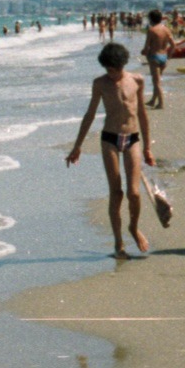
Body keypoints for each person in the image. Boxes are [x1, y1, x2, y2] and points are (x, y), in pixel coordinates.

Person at [66, 42, 156, 258]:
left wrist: (147, 148)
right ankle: (119, 244)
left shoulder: (137, 80)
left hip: (132, 138)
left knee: (134, 193)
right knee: (116, 193)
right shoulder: (100, 84)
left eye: (114, 70)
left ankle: (133, 228)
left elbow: (142, 113)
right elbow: (90, 114)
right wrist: (77, 146)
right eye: (107, 69)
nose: (111, 74)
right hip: (109, 139)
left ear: (122, 64)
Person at [140, 9, 175, 109]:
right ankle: (153, 100)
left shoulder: (151, 30)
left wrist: (143, 52)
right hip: (164, 57)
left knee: (156, 82)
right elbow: (173, 45)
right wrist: (169, 57)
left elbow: (146, 47)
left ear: (151, 19)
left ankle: (160, 103)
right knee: (158, 80)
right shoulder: (166, 29)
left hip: (154, 57)